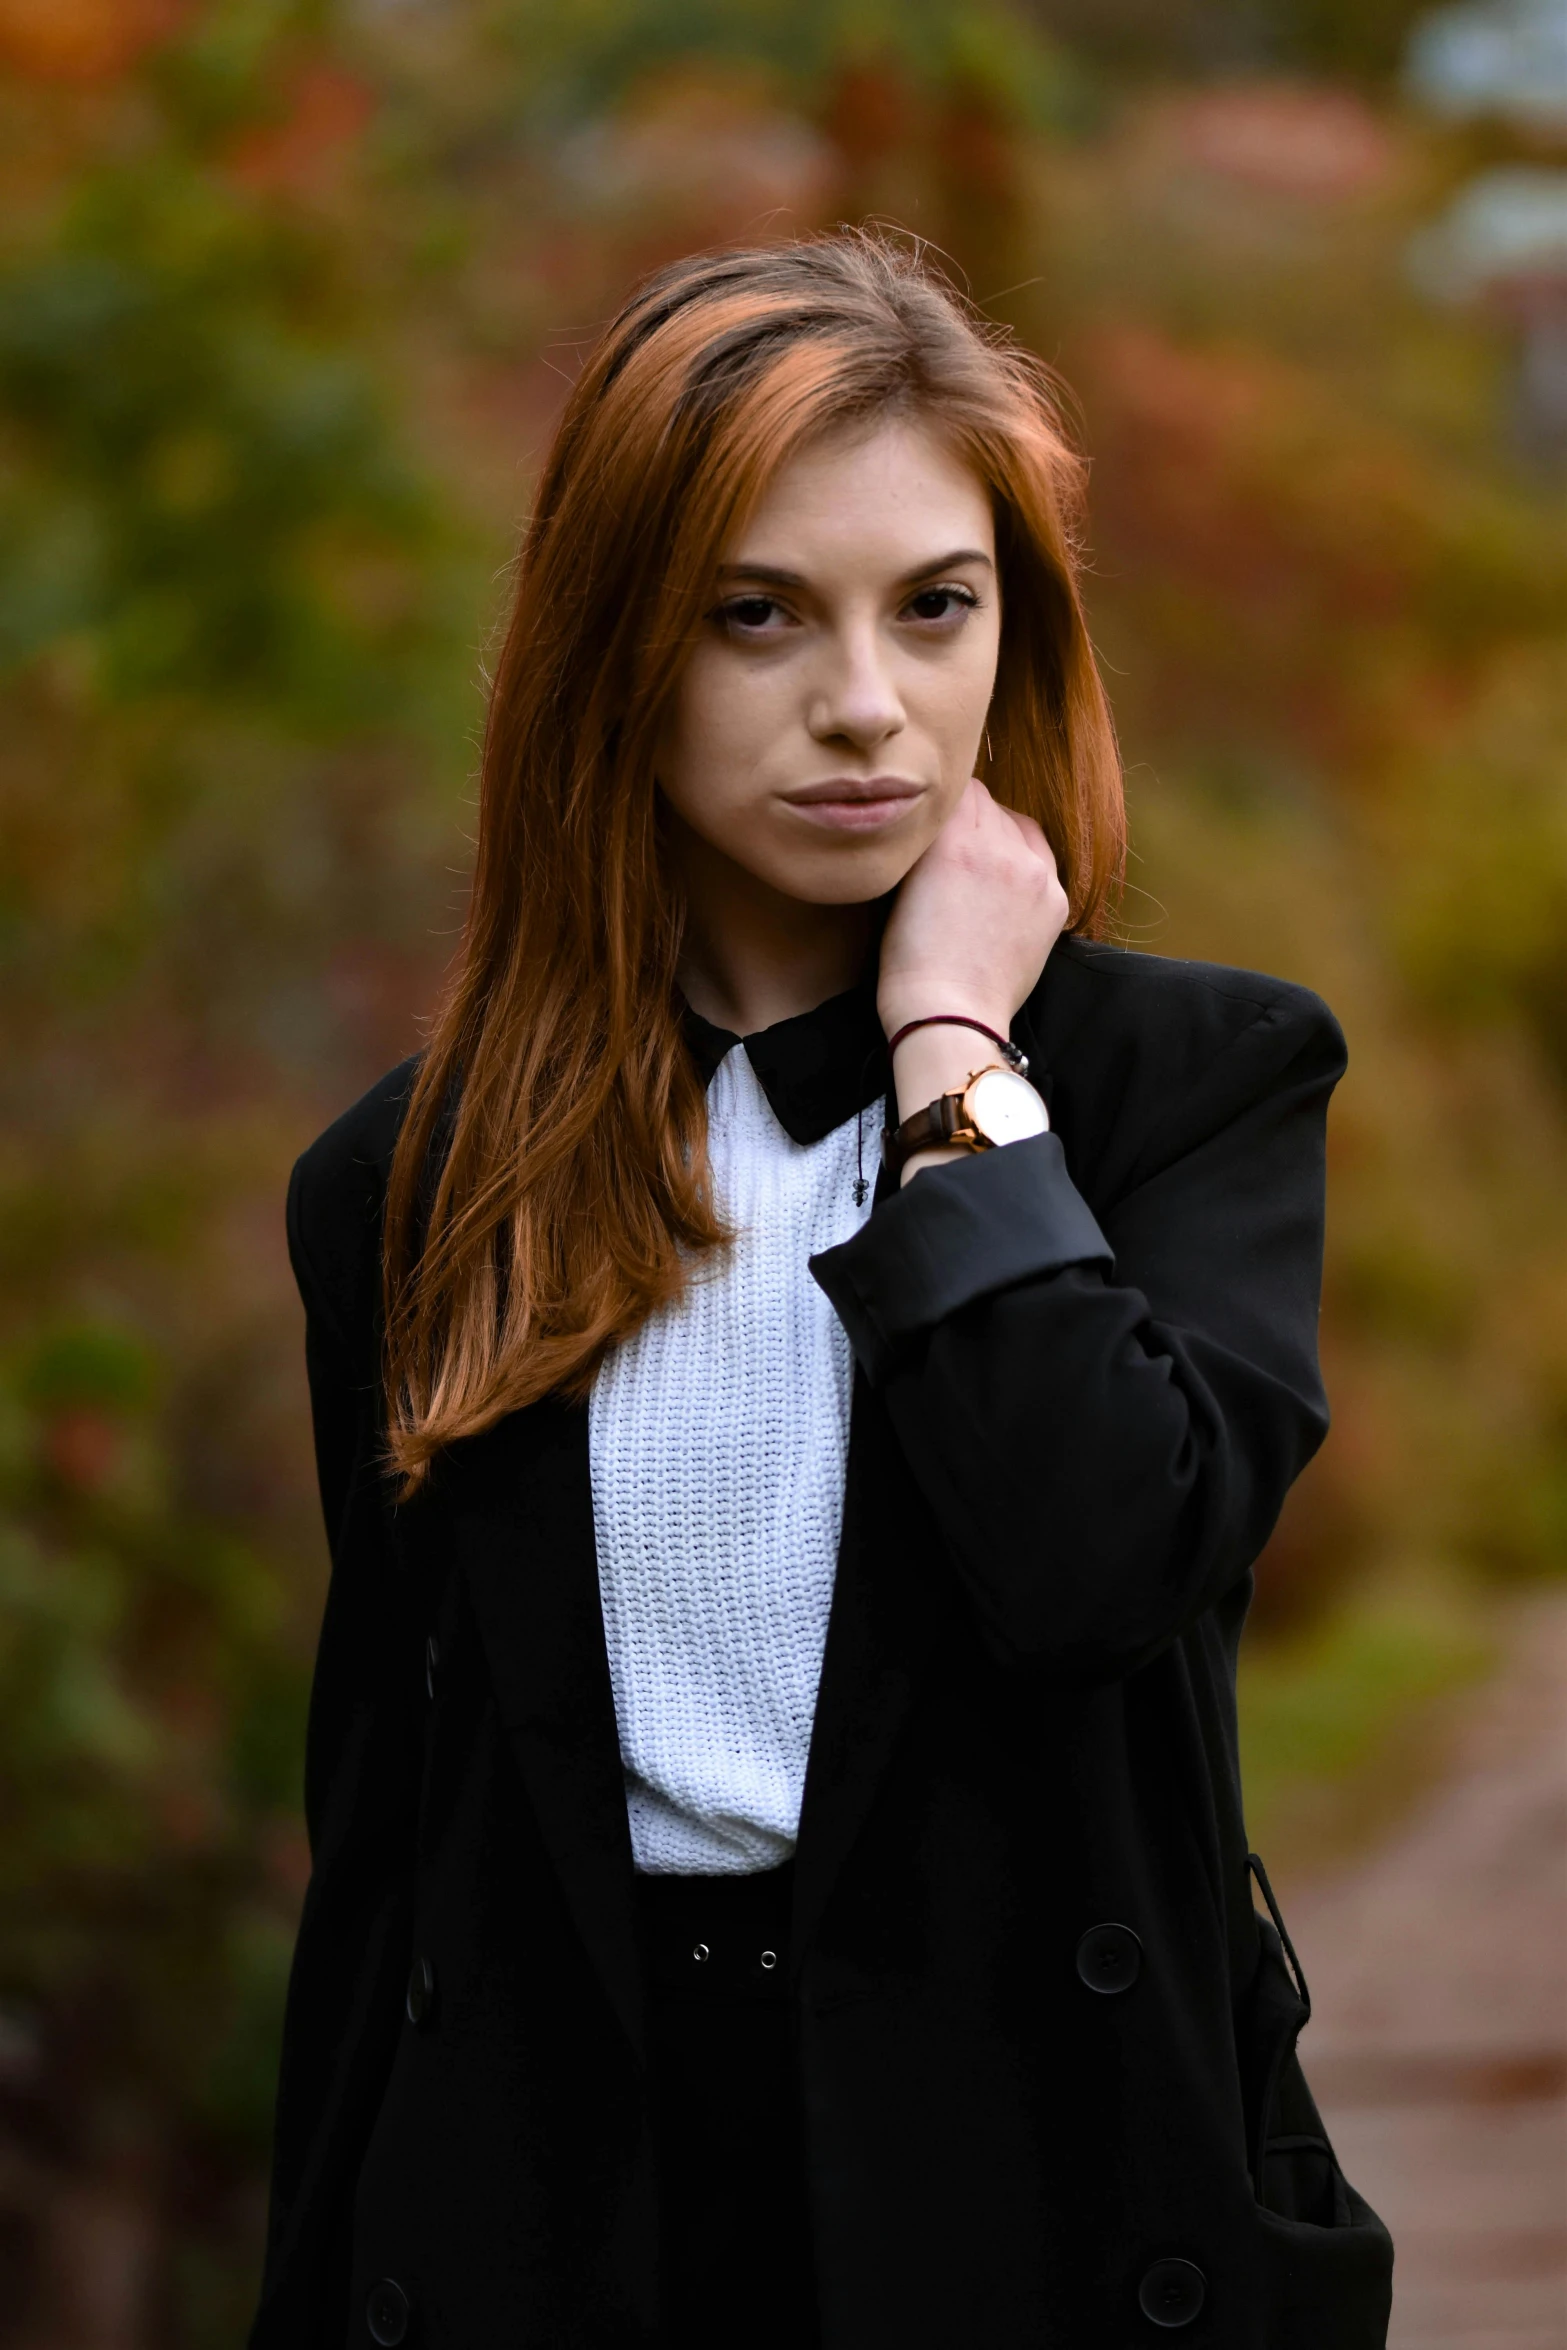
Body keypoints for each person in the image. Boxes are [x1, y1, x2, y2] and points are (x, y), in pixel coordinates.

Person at [248, 231, 1393, 2350]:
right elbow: (388, 1851)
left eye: (933, 606)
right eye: (756, 614)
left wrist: (957, 1059)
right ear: (615, 652)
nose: (867, 701)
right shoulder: (406, 1187)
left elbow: (1099, 1551)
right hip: (567, 2214)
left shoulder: (1185, 1088)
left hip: (1042, 2182)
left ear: (1010, 627)